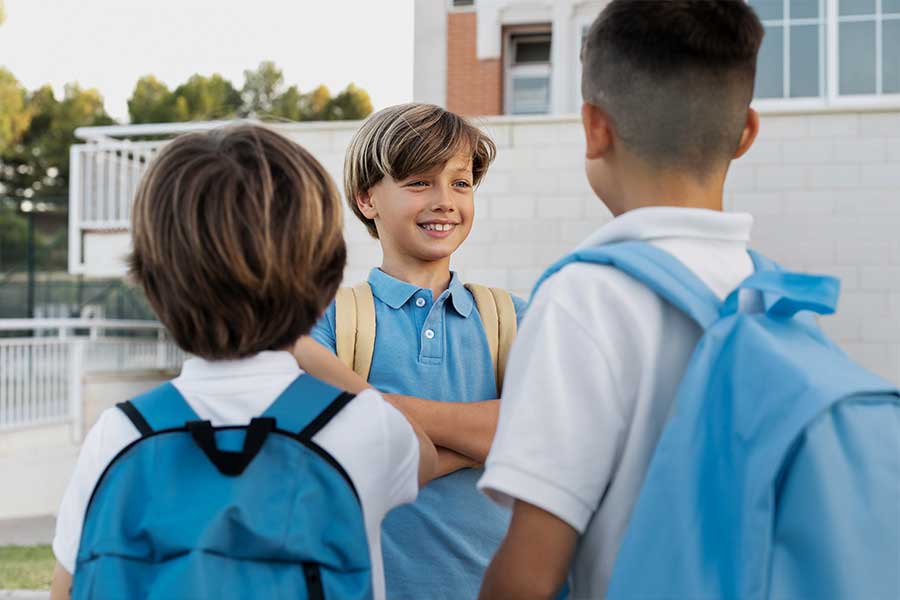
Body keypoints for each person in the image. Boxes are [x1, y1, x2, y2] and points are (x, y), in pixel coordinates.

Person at [49, 124, 436, 600]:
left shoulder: (119, 434)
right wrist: (303, 343)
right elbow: (424, 451)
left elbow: (68, 589)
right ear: (324, 278)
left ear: (152, 281)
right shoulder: (364, 428)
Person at [478, 1, 765, 598]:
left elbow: (530, 574)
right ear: (746, 133)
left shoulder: (583, 299)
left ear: (594, 127)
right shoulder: (775, 297)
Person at [305, 102, 527, 599]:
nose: (445, 200)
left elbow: (542, 438)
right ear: (367, 200)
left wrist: (369, 412)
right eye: (419, 182)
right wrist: (487, 436)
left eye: (461, 183)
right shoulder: (328, 322)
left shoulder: (515, 318)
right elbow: (333, 457)